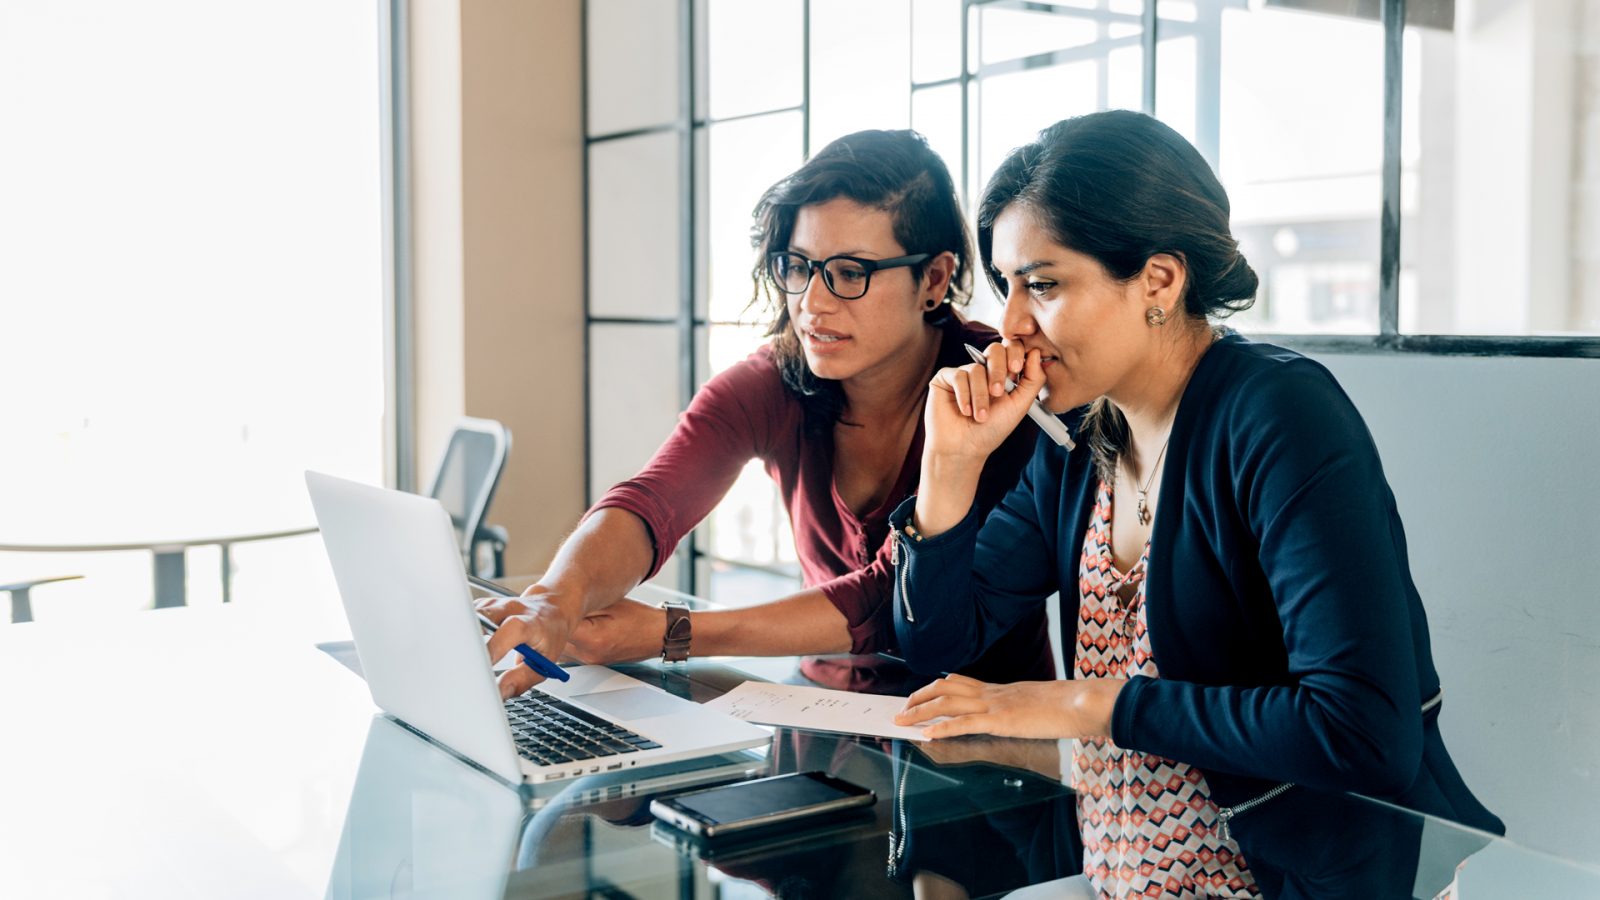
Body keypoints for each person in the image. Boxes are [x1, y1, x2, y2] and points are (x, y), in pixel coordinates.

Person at [887, 111, 1503, 897]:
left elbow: (1361, 732)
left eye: (1043, 285)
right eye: (1007, 285)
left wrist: (1087, 703)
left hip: (1284, 885)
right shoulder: (1082, 438)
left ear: (1159, 281)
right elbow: (938, 640)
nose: (1010, 325)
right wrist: (949, 468)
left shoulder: (1279, 416)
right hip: (1119, 880)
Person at [479, 129, 1049, 696]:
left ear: (934, 279)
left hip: (983, 741)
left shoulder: (995, 393)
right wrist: (557, 598)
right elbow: (653, 500)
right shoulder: (777, 378)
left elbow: (886, 599)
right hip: (820, 710)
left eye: (850, 273)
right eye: (797, 266)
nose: (812, 303)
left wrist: (670, 632)